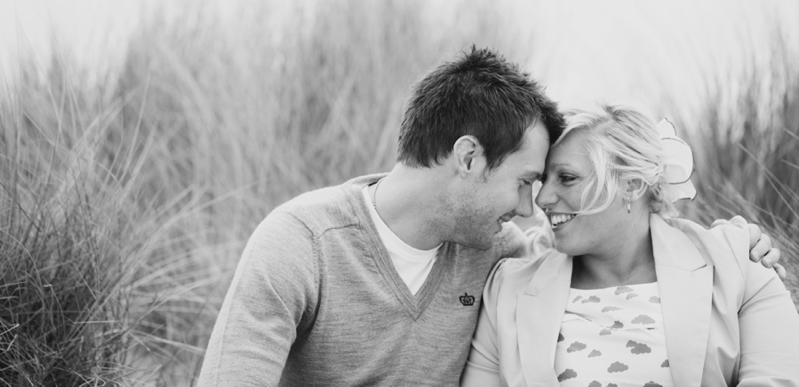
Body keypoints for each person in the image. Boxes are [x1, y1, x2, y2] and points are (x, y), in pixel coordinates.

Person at [197, 48, 780, 386]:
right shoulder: (302, 243)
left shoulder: (502, 256)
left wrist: (741, 247)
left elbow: (595, 262)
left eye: (553, 181)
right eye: (527, 182)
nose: (533, 208)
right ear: (469, 156)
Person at [461, 102, 799, 386]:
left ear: (632, 185)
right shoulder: (507, 288)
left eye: (566, 178)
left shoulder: (740, 267)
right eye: (541, 180)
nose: (543, 199)